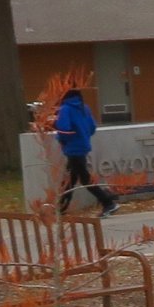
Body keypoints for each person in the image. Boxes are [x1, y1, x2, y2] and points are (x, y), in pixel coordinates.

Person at [52, 87, 115, 215]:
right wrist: (82, 135)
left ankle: (108, 202)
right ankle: (60, 209)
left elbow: (64, 129)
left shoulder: (65, 109)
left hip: (72, 148)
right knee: (70, 179)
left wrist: (59, 135)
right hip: (83, 146)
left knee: (83, 179)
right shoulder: (84, 108)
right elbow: (92, 128)